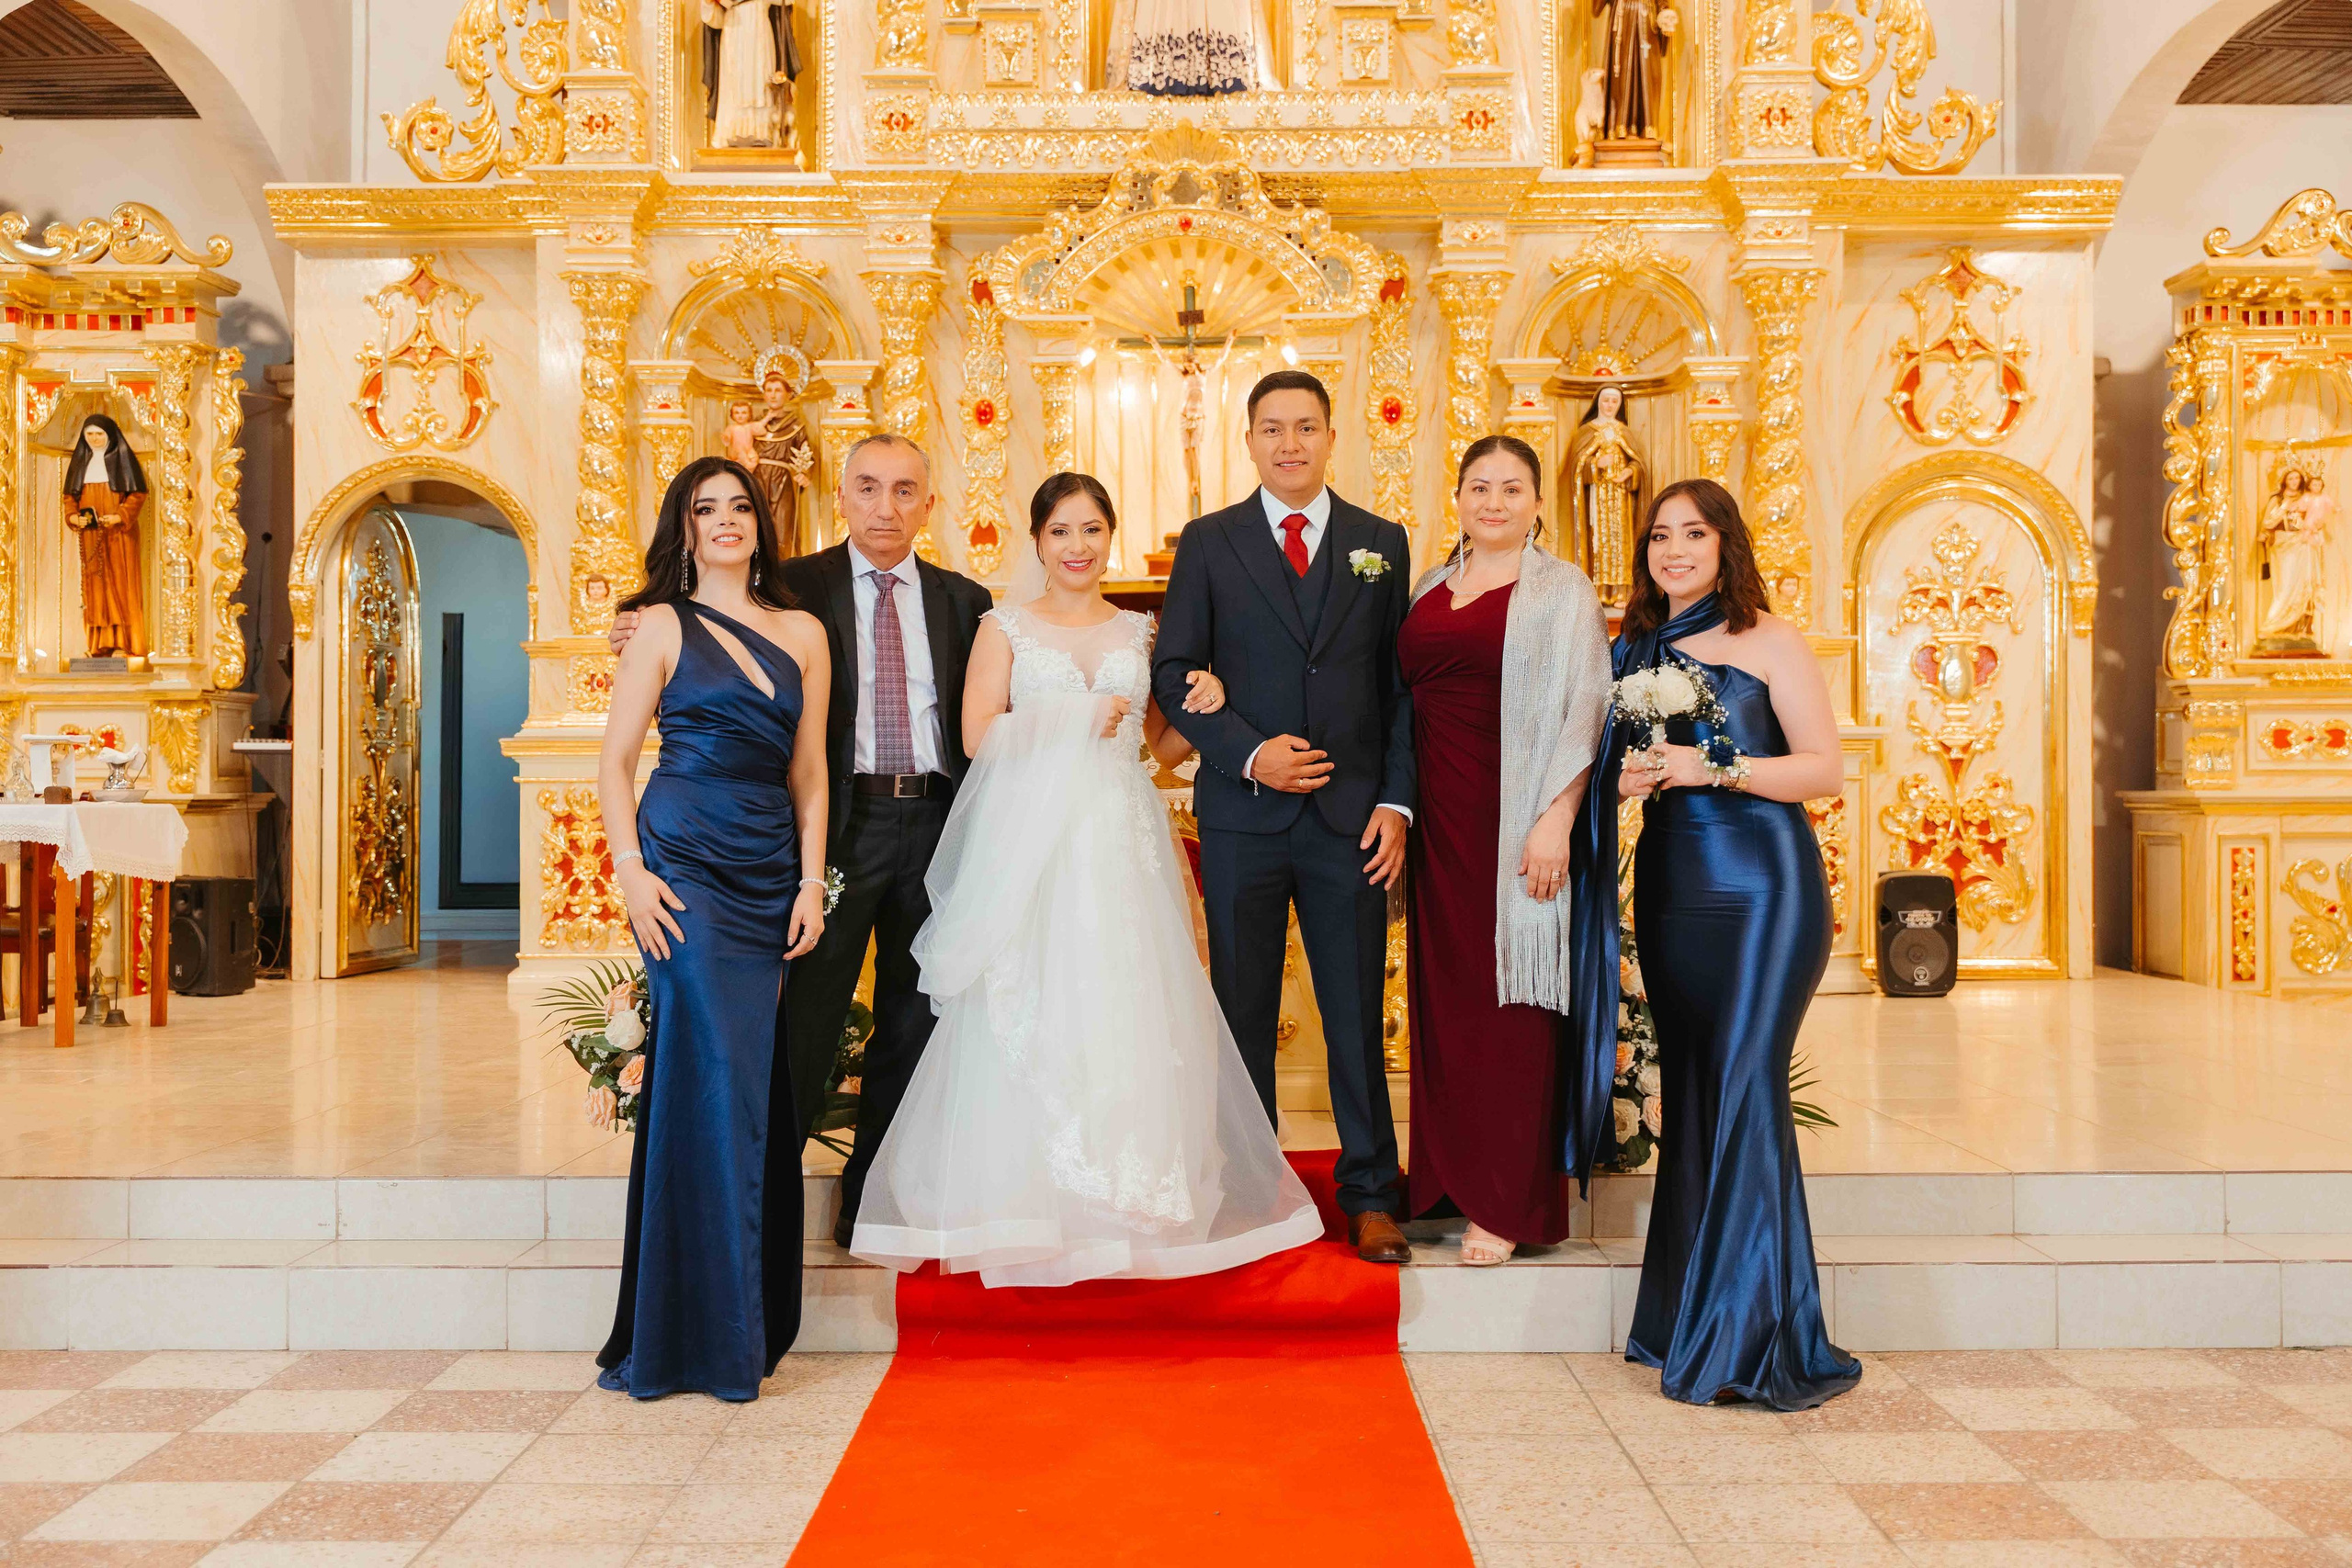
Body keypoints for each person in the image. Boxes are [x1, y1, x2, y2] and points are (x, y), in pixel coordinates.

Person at [852, 473, 1320, 1286]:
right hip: (1033, 840)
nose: (1078, 547)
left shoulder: (1141, 632)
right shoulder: (1006, 627)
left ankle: (1125, 1194)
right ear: (1037, 539)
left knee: (1123, 1002)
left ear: (1111, 536)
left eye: (1093, 529)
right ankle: (1027, 1196)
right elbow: (975, 735)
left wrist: (1208, 698)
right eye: (1062, 530)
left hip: (1119, 835)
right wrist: (1067, 717)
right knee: (1032, 1001)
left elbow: (1158, 749)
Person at [610, 434, 992, 1253]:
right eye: (867, 488)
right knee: (804, 1015)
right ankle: (761, 1196)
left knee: (915, 1016)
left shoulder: (966, 600)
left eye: (904, 490)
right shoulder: (798, 586)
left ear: (930, 502)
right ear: (842, 498)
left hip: (936, 821)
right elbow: (712, 620)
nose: (884, 506)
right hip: (834, 829)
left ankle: (873, 1196)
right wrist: (638, 621)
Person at [1598, 477, 1860, 1410]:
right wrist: (1625, 780)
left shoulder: (1766, 637)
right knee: (1699, 1096)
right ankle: (1683, 1317)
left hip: (1762, 889)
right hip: (1672, 887)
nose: (1674, 550)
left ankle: (1748, 1337)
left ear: (1723, 544)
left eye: (1692, 534)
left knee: (1746, 1085)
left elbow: (1825, 769)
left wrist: (1709, 766)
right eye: (1660, 535)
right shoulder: (1631, 644)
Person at [1150, 368, 1419, 1265]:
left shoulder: (1380, 544)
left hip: (1348, 821)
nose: (1290, 443)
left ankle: (1372, 1194)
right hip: (1242, 815)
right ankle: (1245, 1190)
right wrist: (1248, 752)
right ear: (1250, 440)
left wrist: (1394, 801)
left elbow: (1399, 688)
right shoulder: (1209, 543)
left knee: (1354, 1015)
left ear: (1332, 437)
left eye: (1306, 427)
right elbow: (1174, 674)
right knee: (1241, 1011)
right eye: (1272, 428)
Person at [594, 456, 831, 1401]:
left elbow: (808, 772)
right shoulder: (658, 624)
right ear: (683, 526)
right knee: (708, 1075)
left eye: (740, 506)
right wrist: (632, 874)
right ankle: (689, 1337)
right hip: (683, 868)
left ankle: (729, 1323)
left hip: (769, 868)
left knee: (741, 1084)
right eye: (707, 509)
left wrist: (812, 882)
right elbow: (614, 763)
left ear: (760, 524)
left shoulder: (804, 630)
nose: (726, 520)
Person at [1400, 435, 1611, 1266]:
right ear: (1457, 497)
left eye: (1511, 487)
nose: (1493, 501)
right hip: (1437, 829)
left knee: (1515, 1013)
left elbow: (1585, 704)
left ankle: (1505, 1200)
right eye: (1479, 486)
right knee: (1449, 1010)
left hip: (1516, 819)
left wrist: (1556, 816)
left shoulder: (1562, 590)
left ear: (1536, 502)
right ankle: (1447, 1182)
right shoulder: (1428, 586)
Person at [61, 413, 148, 659]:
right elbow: (70, 497)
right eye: (90, 434)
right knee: (95, 588)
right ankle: (99, 645)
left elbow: (137, 494)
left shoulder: (122, 460)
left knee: (120, 586)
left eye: (99, 434)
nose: (95, 439)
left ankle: (124, 644)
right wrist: (73, 517)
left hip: (119, 535)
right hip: (91, 535)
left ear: (110, 435)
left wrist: (120, 516)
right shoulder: (81, 463)